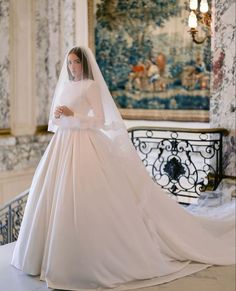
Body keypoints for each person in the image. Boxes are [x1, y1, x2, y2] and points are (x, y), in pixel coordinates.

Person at [11, 46, 235, 291]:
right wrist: (60, 115)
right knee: (52, 195)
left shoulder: (90, 86)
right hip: (62, 145)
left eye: (75, 62)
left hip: (85, 144)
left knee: (87, 196)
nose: (71, 67)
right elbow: (56, 120)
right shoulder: (66, 85)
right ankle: (44, 256)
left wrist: (73, 114)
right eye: (69, 63)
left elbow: (99, 120)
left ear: (84, 64)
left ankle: (85, 259)